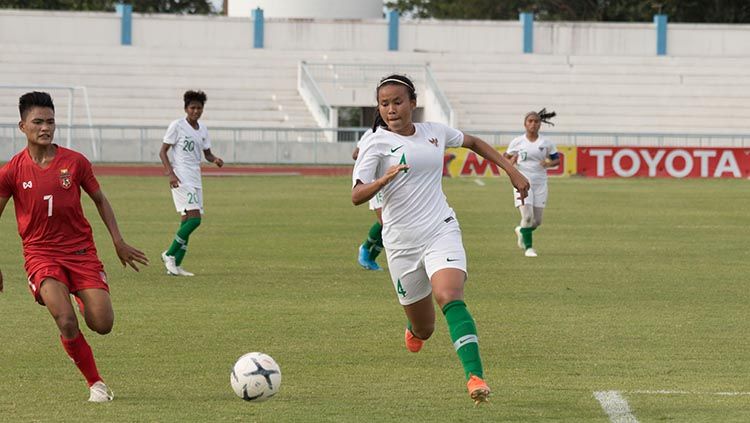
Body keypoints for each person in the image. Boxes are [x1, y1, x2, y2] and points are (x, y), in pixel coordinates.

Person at [351, 75, 530, 404]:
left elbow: (473, 143)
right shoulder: (374, 142)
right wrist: (384, 179)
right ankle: (414, 330)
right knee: (425, 329)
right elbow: (356, 195)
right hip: (402, 245)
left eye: (398, 101)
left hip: (440, 228)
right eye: (384, 103)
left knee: (449, 294)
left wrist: (512, 171)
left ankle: (475, 377)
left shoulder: (434, 132)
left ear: (412, 103)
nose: (391, 109)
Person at [0, 91, 148, 402]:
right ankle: (96, 384)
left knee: (102, 323)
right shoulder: (11, 171)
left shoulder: (75, 162)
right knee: (65, 319)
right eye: (37, 122)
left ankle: (80, 296)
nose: (45, 128)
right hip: (41, 256)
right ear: (22, 127)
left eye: (50, 121)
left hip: (81, 254)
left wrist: (118, 241)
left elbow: (99, 200)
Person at [159, 90, 223, 276]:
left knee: (187, 219)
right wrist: (170, 173)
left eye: (199, 108)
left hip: (195, 178)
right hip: (180, 177)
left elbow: (207, 153)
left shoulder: (202, 129)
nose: (196, 111)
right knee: (195, 219)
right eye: (192, 107)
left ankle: (176, 266)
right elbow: (162, 151)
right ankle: (169, 254)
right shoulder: (177, 126)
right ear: (186, 109)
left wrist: (215, 159)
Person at [504, 109, 559, 258]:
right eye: (530, 121)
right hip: (522, 182)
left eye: (536, 121)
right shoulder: (517, 142)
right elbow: (505, 159)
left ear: (540, 124)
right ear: (525, 124)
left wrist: (548, 163)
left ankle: (521, 230)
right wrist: (511, 162)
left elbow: (557, 159)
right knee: (527, 217)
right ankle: (529, 248)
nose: (533, 124)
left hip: (540, 183)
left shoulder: (546, 143)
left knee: (537, 221)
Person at [352, 129, 384, 271]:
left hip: (395, 185)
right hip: (375, 182)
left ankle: (371, 257)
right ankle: (366, 249)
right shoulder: (372, 133)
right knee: (386, 222)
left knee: (392, 224)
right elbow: (355, 154)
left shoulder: (401, 133)